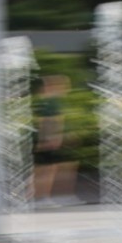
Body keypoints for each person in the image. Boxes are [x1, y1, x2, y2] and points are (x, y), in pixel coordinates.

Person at [32, 75, 78, 206]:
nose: (66, 88)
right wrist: (51, 138)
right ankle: (41, 198)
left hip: (47, 139)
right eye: (64, 86)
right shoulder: (52, 102)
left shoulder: (48, 101)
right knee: (47, 170)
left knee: (45, 169)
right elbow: (51, 121)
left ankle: (43, 197)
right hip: (49, 140)